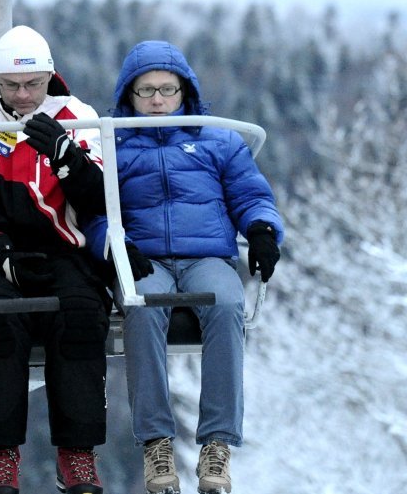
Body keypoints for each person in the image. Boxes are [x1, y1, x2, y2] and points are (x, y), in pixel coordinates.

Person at [83, 40, 284, 494]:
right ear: (128, 97)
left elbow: (252, 195)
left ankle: (217, 443)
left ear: (184, 93)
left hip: (206, 255)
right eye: (146, 91)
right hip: (145, 256)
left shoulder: (217, 139)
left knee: (228, 303)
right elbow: (93, 211)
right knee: (141, 305)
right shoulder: (112, 147)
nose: (157, 101)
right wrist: (115, 246)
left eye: (167, 90)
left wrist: (261, 231)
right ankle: (156, 441)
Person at [0, 25, 110, 494]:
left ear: (50, 76)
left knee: (81, 313)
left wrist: (64, 155)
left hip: (59, 244)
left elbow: (99, 198)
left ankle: (77, 452)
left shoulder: (76, 115)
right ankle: (0, 455)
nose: (21, 95)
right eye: (11, 85)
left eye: (32, 84)